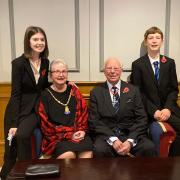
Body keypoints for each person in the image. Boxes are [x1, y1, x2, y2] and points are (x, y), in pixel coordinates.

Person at [0, 26, 50, 179]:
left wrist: (66, 83)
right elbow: (16, 94)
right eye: (35, 39)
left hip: (34, 111)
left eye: (42, 39)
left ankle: (25, 172)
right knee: (10, 148)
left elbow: (41, 86)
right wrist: (14, 122)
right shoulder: (18, 63)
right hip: (16, 111)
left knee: (22, 135)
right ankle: (5, 175)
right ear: (28, 42)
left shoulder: (46, 62)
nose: (39, 42)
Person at [89, 57, 156, 157]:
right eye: (109, 68)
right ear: (104, 71)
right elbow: (94, 121)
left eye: (116, 68)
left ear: (121, 70)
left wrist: (130, 141)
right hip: (107, 136)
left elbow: (142, 119)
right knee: (99, 150)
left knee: (148, 147)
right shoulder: (96, 92)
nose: (112, 71)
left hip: (130, 134)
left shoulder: (133, 90)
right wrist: (114, 140)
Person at [130, 26, 180, 156]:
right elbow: (138, 93)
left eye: (157, 38)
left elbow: (174, 90)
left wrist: (167, 109)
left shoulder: (169, 63)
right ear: (146, 42)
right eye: (151, 38)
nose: (154, 40)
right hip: (149, 112)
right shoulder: (138, 65)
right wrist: (154, 111)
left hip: (169, 110)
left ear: (162, 41)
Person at [37, 59, 93, 159]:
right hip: (57, 138)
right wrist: (69, 135)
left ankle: (82, 175)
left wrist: (82, 131)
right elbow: (46, 126)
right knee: (68, 155)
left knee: (86, 155)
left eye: (64, 71)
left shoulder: (74, 91)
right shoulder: (44, 95)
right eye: (57, 71)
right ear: (50, 75)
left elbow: (84, 114)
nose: (61, 74)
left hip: (78, 134)